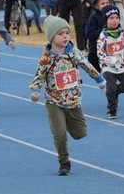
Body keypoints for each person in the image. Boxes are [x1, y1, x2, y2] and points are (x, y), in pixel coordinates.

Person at [28, 16, 105, 176]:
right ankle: (64, 162)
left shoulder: (73, 52)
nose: (65, 36)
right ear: (51, 37)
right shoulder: (46, 57)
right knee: (60, 134)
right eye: (60, 34)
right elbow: (39, 75)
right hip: (53, 101)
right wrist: (35, 90)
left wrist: (99, 80)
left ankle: (69, 122)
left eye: (67, 33)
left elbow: (86, 65)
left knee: (80, 134)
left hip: (73, 100)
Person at [85, 0, 113, 73]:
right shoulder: (93, 17)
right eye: (103, 3)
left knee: (110, 74)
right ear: (96, 6)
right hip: (96, 52)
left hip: (110, 51)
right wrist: (104, 31)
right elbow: (89, 34)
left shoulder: (112, 16)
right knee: (99, 74)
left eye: (107, 3)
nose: (106, 5)